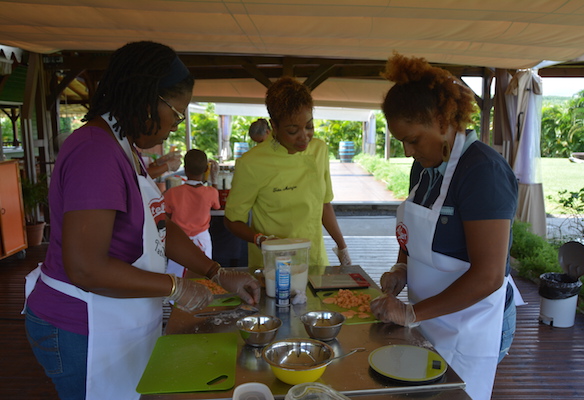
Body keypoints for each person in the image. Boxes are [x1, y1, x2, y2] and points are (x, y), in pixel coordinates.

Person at [23, 41, 260, 400]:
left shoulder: (123, 145)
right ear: (148, 99)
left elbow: (160, 226)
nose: (175, 126)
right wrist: (176, 287)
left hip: (118, 316)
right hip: (82, 324)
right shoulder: (95, 152)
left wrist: (218, 273)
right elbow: (85, 268)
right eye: (176, 113)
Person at [369, 53, 518, 400]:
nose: (407, 151)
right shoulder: (424, 165)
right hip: (429, 316)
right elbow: (414, 233)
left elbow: (489, 276)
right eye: (401, 141)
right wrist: (402, 265)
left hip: (472, 323)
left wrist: (411, 312)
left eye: (413, 139)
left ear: (441, 119)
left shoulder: (483, 173)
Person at [224, 76, 351, 274]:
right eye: (293, 130)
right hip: (273, 265)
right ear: (273, 126)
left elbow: (324, 204)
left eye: (309, 126)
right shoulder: (251, 163)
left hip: (315, 259)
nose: (304, 136)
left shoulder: (319, 150)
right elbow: (232, 220)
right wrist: (261, 239)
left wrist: (342, 248)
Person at [164, 149, 220, 277]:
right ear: (206, 169)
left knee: (176, 277)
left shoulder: (172, 193)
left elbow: (165, 217)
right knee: (204, 275)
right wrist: (214, 179)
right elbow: (216, 206)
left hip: (178, 240)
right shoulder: (210, 192)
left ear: (185, 168)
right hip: (202, 240)